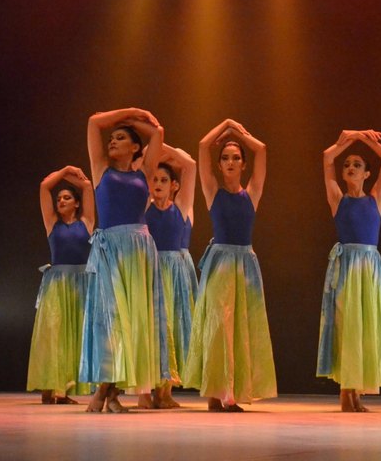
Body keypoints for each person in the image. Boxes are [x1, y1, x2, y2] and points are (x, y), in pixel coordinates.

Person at [79, 107, 169, 413]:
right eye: (112, 138)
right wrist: (127, 113)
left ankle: (112, 393)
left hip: (139, 250)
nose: (112, 141)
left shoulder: (144, 173)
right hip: (110, 250)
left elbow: (157, 133)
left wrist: (134, 123)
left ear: (135, 148)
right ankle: (104, 389)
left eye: (121, 138)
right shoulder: (101, 170)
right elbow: (94, 122)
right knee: (111, 321)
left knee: (132, 322)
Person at [184, 119, 277, 412]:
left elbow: (261, 149)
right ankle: (217, 392)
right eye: (225, 157)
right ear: (220, 164)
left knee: (240, 328)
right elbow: (201, 146)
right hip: (221, 263)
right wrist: (224, 126)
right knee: (219, 327)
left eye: (236, 157)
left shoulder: (252, 193)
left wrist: (239, 133)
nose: (230, 161)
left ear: (243, 165)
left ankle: (228, 392)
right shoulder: (213, 190)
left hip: (245, 264)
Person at [317, 129, 381, 412]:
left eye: (357, 165)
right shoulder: (338, 197)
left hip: (370, 268)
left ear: (366, 174)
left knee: (366, 328)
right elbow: (327, 158)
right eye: (347, 165)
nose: (350, 168)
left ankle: (356, 394)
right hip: (348, 267)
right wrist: (348, 138)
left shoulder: (376, 196)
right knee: (347, 326)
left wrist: (364, 139)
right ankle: (346, 394)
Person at [27, 166, 94, 404]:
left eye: (67, 197)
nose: (61, 201)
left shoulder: (87, 222)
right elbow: (45, 186)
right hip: (57, 283)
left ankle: (64, 390)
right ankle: (48, 387)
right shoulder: (52, 224)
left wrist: (74, 177)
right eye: (59, 199)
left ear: (77, 203)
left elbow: (87, 187)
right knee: (54, 335)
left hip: (80, 284)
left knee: (73, 335)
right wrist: (66, 169)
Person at [145, 146, 197, 408]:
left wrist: (163, 149)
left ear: (175, 185)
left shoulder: (183, 207)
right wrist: (153, 153)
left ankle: (165, 391)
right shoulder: (145, 208)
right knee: (155, 330)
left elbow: (191, 166)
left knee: (172, 329)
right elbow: (143, 161)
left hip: (175, 275)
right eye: (154, 179)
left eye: (164, 180)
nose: (158, 184)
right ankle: (147, 391)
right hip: (152, 272)